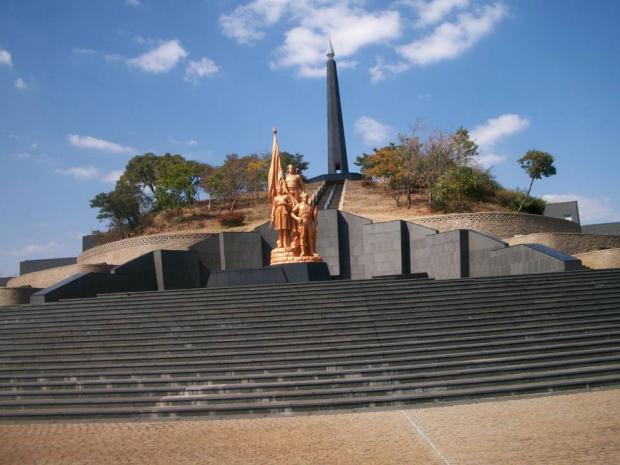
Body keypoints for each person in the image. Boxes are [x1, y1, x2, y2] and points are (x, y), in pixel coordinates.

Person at [291, 192, 318, 257]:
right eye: (304, 197)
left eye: (306, 197)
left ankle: (312, 251)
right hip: (302, 222)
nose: (306, 198)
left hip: (309, 222)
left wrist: (315, 215)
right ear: (302, 198)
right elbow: (292, 213)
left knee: (310, 237)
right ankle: (303, 251)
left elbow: (313, 217)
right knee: (302, 237)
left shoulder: (310, 206)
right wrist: (297, 218)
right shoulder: (299, 205)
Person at [270, 185, 293, 249]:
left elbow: (291, 205)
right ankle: (281, 243)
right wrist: (272, 215)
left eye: (279, 189)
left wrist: (285, 203)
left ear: (281, 190)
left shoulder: (285, 197)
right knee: (279, 229)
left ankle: (285, 243)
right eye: (277, 190)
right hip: (278, 212)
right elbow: (273, 207)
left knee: (284, 228)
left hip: (284, 212)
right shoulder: (275, 198)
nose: (278, 190)